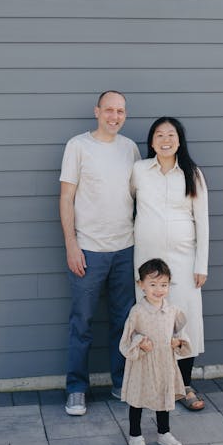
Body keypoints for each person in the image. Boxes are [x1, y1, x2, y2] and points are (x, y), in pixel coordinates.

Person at [59, 90, 141, 416]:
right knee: (82, 322)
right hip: (88, 251)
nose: (115, 116)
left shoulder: (130, 149)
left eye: (120, 111)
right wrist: (71, 243)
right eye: (109, 110)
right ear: (97, 112)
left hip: (126, 249)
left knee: (124, 322)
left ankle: (121, 382)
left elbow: (139, 197)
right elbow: (66, 198)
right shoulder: (78, 146)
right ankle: (76, 389)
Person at [132, 116, 209, 411]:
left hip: (184, 260)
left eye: (171, 134)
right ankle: (155, 385)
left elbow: (202, 221)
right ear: (151, 142)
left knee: (183, 321)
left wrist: (201, 264)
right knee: (150, 321)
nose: (165, 139)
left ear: (179, 140)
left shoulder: (193, 173)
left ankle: (184, 385)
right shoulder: (139, 170)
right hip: (146, 263)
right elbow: (126, 205)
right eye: (159, 134)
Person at [120, 258, 191, 445]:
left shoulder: (172, 311)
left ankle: (164, 432)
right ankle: (135, 436)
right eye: (152, 284)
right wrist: (140, 341)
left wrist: (178, 342)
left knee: (163, 396)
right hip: (143, 364)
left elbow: (181, 331)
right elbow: (127, 338)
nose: (158, 290)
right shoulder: (137, 312)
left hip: (164, 363)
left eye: (163, 285)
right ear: (141, 285)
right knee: (137, 399)